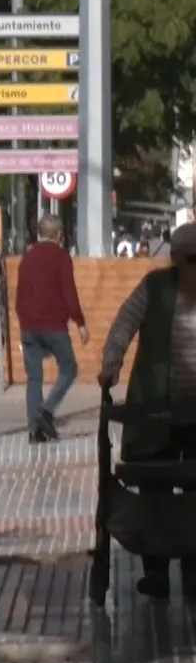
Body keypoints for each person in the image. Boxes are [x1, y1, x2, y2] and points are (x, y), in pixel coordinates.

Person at [99, 221, 196, 598]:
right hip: (156, 408)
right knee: (155, 488)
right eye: (190, 260)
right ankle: (155, 570)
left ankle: (192, 566)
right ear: (177, 260)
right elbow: (124, 323)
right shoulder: (155, 286)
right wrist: (112, 362)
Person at [16, 215, 90, 444]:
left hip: (29, 326)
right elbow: (69, 293)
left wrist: (24, 322)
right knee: (69, 368)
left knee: (34, 378)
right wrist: (80, 322)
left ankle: (34, 431)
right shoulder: (61, 257)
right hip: (53, 326)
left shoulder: (27, 258)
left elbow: (20, 296)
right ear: (59, 235)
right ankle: (46, 411)